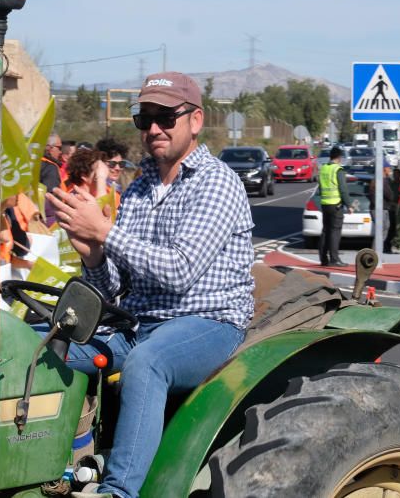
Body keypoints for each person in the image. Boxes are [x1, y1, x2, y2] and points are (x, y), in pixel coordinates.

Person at [47, 71, 252, 498]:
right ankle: (50, 469)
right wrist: (92, 253)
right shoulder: (139, 189)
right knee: (42, 347)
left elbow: (179, 270)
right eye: (144, 118)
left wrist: (104, 232)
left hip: (207, 323)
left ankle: (119, 491)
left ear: (195, 121)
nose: (154, 128)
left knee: (147, 362)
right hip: (139, 323)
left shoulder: (216, 182)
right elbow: (115, 285)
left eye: (166, 117)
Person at [318, 146, 349, 266]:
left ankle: (323, 259)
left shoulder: (324, 168)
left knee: (326, 231)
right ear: (339, 157)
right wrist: (349, 204)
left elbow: (320, 187)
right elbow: (343, 189)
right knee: (335, 232)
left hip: (325, 203)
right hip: (336, 204)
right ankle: (334, 259)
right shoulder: (338, 170)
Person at [40, 133, 65, 225]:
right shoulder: (50, 168)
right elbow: (51, 197)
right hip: (47, 221)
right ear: (49, 148)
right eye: (59, 148)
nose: (61, 152)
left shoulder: (34, 163)